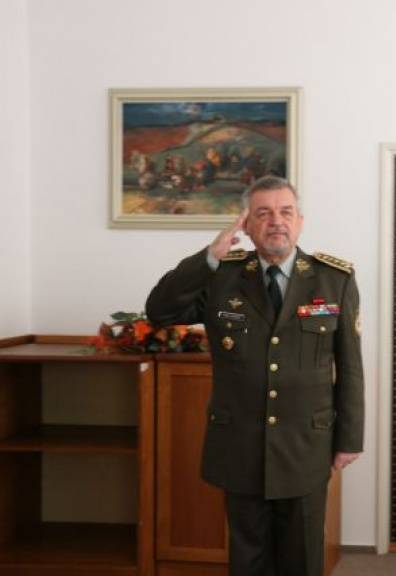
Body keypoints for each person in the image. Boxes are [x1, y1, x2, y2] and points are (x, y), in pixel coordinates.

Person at [146, 175, 364, 576]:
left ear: (300, 221)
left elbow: (350, 365)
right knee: (248, 559)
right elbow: (160, 311)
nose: (276, 221)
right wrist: (208, 257)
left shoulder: (334, 279)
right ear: (246, 225)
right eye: (263, 213)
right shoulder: (222, 276)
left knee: (302, 557)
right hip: (240, 444)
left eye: (285, 212)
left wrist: (349, 439)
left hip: (305, 445)